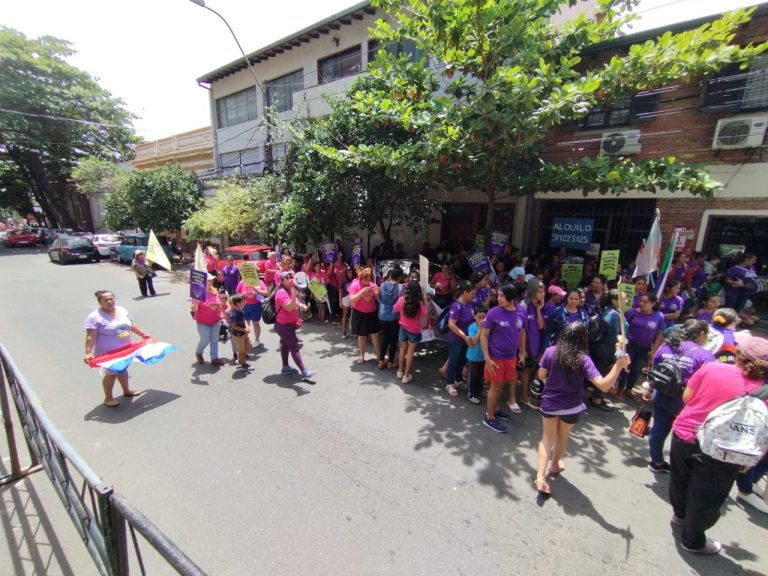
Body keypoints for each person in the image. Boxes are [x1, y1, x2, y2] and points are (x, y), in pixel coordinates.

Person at [669, 336, 768, 554]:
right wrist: (753, 459)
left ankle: (680, 515)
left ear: (739, 354)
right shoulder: (765, 390)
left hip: (686, 435)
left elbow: (687, 397)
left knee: (680, 480)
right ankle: (693, 540)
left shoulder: (712, 369)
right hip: (727, 449)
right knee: (708, 494)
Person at [534, 322, 630, 496]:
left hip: (550, 403)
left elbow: (541, 375)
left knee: (546, 439)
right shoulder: (583, 359)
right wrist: (618, 366)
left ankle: (540, 477)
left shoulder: (550, 352)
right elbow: (603, 386)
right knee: (563, 436)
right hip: (571, 407)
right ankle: (555, 464)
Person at [645, 319, 714, 473]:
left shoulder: (665, 347)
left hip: (661, 394)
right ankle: (679, 468)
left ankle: (656, 462)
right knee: (682, 435)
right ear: (701, 334)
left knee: (658, 430)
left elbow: (654, 370)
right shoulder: (705, 356)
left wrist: (649, 390)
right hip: (685, 401)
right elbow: (709, 382)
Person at [84, 290, 149, 407]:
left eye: (111, 299)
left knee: (122, 369)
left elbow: (131, 325)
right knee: (112, 374)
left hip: (125, 349)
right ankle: (108, 398)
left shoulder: (122, 310)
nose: (110, 302)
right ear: (100, 302)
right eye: (106, 300)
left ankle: (126, 390)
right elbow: (90, 336)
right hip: (108, 353)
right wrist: (88, 353)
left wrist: (144, 334)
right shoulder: (94, 317)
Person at [480, 284, 527, 433]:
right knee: (495, 386)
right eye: (498, 295)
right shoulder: (493, 313)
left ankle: (497, 408)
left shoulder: (522, 311)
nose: (498, 298)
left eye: (502, 296)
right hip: (495, 357)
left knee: (501, 385)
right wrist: (487, 357)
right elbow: (484, 335)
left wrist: (522, 352)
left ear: (512, 298)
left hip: (511, 357)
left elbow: (522, 332)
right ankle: (489, 417)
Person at [617, 293, 664, 399]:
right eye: (641, 301)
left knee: (636, 369)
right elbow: (621, 325)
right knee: (625, 367)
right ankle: (620, 389)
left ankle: (629, 389)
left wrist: (654, 350)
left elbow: (660, 333)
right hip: (630, 345)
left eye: (645, 302)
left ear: (653, 303)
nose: (641, 303)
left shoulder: (659, 316)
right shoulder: (632, 312)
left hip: (645, 347)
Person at [274, 271, 315, 379]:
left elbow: (295, 305)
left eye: (290, 276)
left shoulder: (290, 290)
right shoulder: (281, 293)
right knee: (294, 347)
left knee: (285, 345)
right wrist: (295, 294)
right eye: (286, 278)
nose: (290, 279)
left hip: (289, 324)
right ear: (281, 281)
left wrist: (301, 305)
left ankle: (285, 367)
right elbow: (289, 307)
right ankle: (304, 371)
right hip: (284, 326)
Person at [393, 280, 429, 384]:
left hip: (402, 327)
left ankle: (399, 371)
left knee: (402, 349)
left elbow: (395, 309)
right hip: (414, 330)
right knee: (410, 353)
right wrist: (425, 300)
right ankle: (406, 376)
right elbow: (425, 314)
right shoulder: (419, 302)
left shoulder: (401, 299)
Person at [445, 281, 476, 397]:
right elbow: (451, 324)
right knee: (453, 361)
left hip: (466, 339)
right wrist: (464, 336)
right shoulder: (456, 306)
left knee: (461, 360)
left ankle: (458, 380)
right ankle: (449, 383)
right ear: (464, 292)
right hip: (456, 339)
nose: (474, 296)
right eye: (472, 294)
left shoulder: (470, 304)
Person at [520, 279, 546, 408]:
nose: (542, 294)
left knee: (528, 370)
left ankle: (525, 395)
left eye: (543, 291)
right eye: (539, 291)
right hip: (524, 345)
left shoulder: (538, 307)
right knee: (519, 371)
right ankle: (518, 397)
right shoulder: (524, 305)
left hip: (534, 344)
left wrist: (538, 309)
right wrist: (522, 349)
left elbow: (541, 326)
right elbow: (520, 329)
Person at [191, 276, 227, 366]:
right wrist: (195, 303)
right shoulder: (197, 292)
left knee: (214, 339)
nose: (210, 282)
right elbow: (194, 309)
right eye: (208, 281)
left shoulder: (214, 291)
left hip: (215, 320)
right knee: (205, 340)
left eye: (210, 280)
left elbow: (219, 304)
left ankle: (214, 358)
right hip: (202, 321)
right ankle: (198, 352)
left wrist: (219, 310)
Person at [348, 267, 381, 364]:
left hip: (372, 312)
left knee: (375, 334)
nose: (367, 281)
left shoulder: (372, 285)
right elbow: (351, 300)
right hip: (359, 313)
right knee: (362, 335)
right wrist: (362, 291)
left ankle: (379, 355)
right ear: (361, 278)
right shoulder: (355, 284)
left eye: (369, 279)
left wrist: (376, 292)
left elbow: (377, 297)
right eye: (365, 279)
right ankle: (361, 355)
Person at [377, 266, 403, 370]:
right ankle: (391, 362)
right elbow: (401, 303)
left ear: (390, 275)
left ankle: (381, 361)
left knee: (384, 338)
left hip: (382, 315)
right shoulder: (401, 288)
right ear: (399, 278)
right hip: (394, 316)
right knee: (393, 340)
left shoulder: (382, 285)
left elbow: (379, 298)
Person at [465, 306, 487, 405]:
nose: (481, 320)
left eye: (483, 317)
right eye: (479, 317)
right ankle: (471, 394)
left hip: (483, 357)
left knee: (481, 375)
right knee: (472, 376)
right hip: (473, 357)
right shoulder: (472, 327)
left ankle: (479, 390)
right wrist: (480, 330)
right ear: (474, 317)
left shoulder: (487, 327)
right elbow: (473, 342)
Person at [227, 294, 250, 370]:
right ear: (237, 303)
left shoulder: (241, 310)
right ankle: (242, 363)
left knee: (247, 346)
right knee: (241, 350)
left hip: (243, 333)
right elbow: (234, 326)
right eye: (243, 301)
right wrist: (244, 330)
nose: (245, 302)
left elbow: (245, 320)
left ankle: (241, 360)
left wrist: (246, 327)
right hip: (238, 335)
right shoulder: (234, 314)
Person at [340, 268, 356, 338]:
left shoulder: (355, 280)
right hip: (345, 298)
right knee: (345, 315)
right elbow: (340, 291)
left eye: (351, 272)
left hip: (353, 297)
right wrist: (340, 301)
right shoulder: (343, 281)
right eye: (348, 272)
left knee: (353, 315)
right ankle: (344, 332)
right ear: (346, 273)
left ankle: (353, 331)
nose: (350, 274)